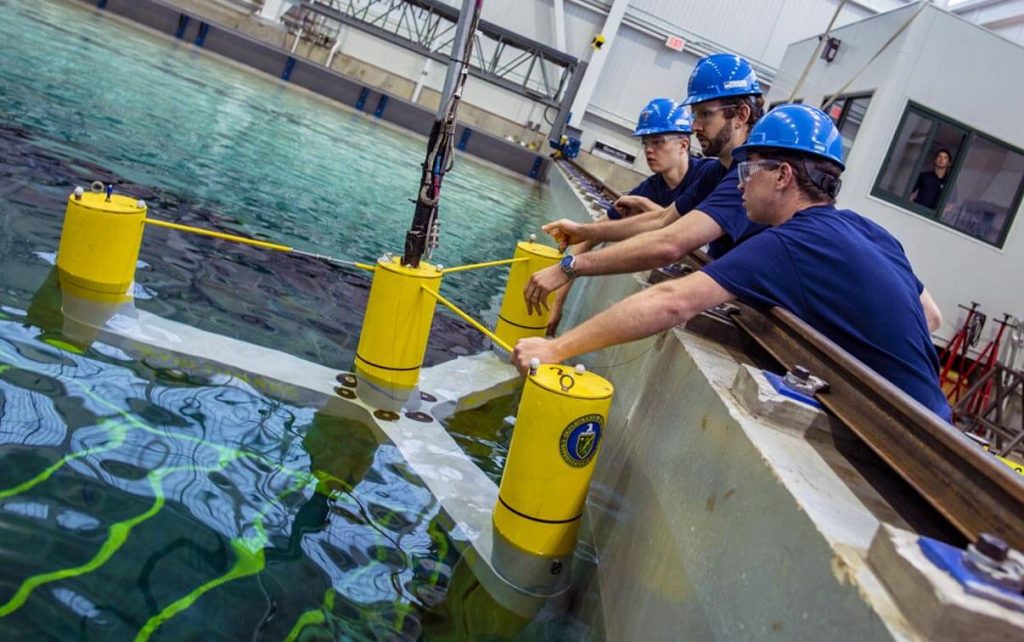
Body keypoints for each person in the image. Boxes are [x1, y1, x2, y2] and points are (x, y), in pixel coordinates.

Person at [512, 104, 951, 422]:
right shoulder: (866, 228)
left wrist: (555, 349)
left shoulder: (786, 243)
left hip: (899, 447)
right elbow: (931, 317)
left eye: (748, 172)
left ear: (782, 176)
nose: (739, 185)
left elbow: (672, 302)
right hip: (935, 423)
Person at [524, 53, 767, 317]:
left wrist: (569, 267)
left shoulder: (752, 175)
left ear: (741, 115)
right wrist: (583, 231)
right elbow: (662, 220)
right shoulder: (717, 170)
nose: (695, 126)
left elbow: (669, 243)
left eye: (705, 115)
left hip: (758, 310)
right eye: (694, 115)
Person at [547, 98, 713, 332]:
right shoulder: (650, 188)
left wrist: (645, 206)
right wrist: (557, 302)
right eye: (645, 142)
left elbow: (693, 231)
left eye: (657, 142)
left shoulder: (709, 176)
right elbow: (588, 239)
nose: (649, 150)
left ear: (683, 145)